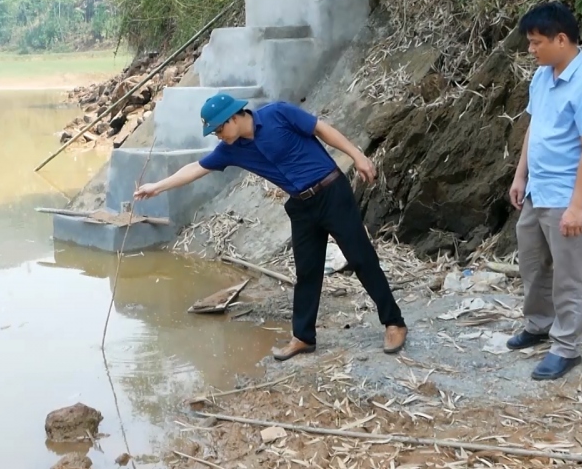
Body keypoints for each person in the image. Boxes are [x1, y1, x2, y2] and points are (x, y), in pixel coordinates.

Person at [133, 93, 407, 360]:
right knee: (307, 272)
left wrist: (357, 156)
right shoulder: (231, 150)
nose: (218, 136)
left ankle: (394, 323)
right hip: (301, 206)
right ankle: (303, 338)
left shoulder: (278, 114)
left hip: (331, 192)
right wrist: (157, 187)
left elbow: (322, 129)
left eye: (218, 129)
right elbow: (195, 168)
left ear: (233, 117)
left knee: (361, 258)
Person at [507, 1, 582, 380]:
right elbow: (534, 129)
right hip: (539, 189)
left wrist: (576, 207)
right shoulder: (542, 77)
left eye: (537, 42)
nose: (531, 49)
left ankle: (566, 347)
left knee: (569, 274)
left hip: (570, 197)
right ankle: (538, 324)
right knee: (533, 264)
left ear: (562, 39)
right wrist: (521, 176)